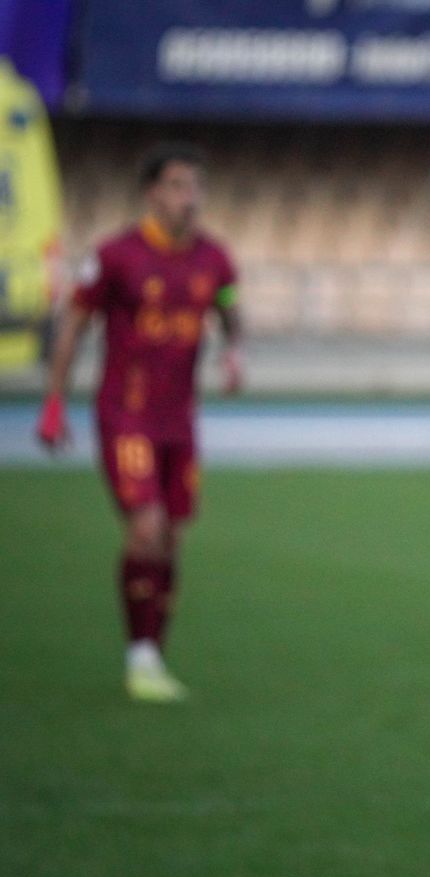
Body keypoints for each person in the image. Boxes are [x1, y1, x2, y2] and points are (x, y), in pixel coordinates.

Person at [36, 142, 243, 703]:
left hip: (180, 421)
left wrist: (233, 350)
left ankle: (154, 651)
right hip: (125, 415)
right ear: (152, 192)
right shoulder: (116, 256)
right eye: (177, 186)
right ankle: (141, 657)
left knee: (172, 538)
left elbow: (227, 300)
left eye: (196, 186)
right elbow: (75, 325)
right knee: (146, 527)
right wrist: (55, 400)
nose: (189, 198)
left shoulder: (214, 259)